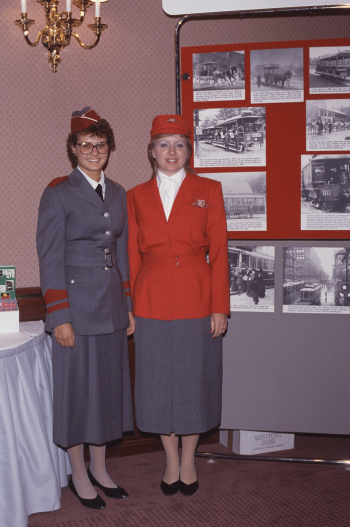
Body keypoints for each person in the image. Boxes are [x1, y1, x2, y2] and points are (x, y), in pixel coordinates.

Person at [36, 107, 135, 511]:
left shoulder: (118, 192)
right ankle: (78, 473)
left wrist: (127, 305)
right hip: (75, 308)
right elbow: (49, 257)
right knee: (78, 394)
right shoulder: (58, 192)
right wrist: (59, 315)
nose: (94, 150)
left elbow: (123, 254)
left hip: (110, 305)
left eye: (100, 144)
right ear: (73, 149)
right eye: (85, 144)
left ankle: (100, 468)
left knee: (108, 392)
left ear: (109, 148)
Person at [127, 115, 230, 497]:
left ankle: (189, 460)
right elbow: (131, 255)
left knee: (194, 381)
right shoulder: (135, 195)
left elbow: (219, 253)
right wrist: (130, 306)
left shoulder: (210, 189)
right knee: (156, 383)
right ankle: (170, 460)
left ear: (190, 149)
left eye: (180, 144)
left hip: (197, 295)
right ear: (151, 151)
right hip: (150, 297)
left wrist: (220, 306)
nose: (172, 152)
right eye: (164, 144)